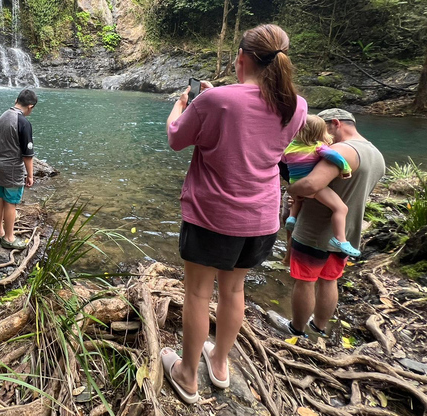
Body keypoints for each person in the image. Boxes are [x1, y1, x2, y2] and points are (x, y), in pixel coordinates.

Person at [162, 24, 307, 404]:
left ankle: (187, 374)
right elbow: (251, 126)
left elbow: (177, 138)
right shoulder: (297, 104)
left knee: (196, 293)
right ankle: (220, 364)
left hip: (212, 216)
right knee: (234, 290)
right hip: (260, 219)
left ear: (240, 58)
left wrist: (183, 106)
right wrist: (215, 100)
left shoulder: (215, 101)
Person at [285, 109, 385, 338]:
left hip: (314, 230)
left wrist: (292, 190)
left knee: (304, 281)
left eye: (323, 129)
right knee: (329, 281)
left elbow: (310, 185)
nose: (320, 137)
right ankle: (319, 328)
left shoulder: (339, 150)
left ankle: (296, 330)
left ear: (336, 124)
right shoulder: (376, 154)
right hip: (346, 233)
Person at [282, 114, 359, 257]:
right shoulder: (318, 147)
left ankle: (292, 218)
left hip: (294, 182)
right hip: (311, 184)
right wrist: (346, 169)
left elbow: (284, 160)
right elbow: (336, 157)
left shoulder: (289, 148)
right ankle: (340, 239)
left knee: (297, 199)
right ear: (319, 133)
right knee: (341, 208)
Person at [0, 89, 37, 251]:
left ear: (17, 100)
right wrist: (30, 175)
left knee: (0, 198)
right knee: (11, 203)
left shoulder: (3, 115)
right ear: (30, 106)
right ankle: (9, 238)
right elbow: (27, 155)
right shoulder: (23, 122)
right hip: (12, 167)